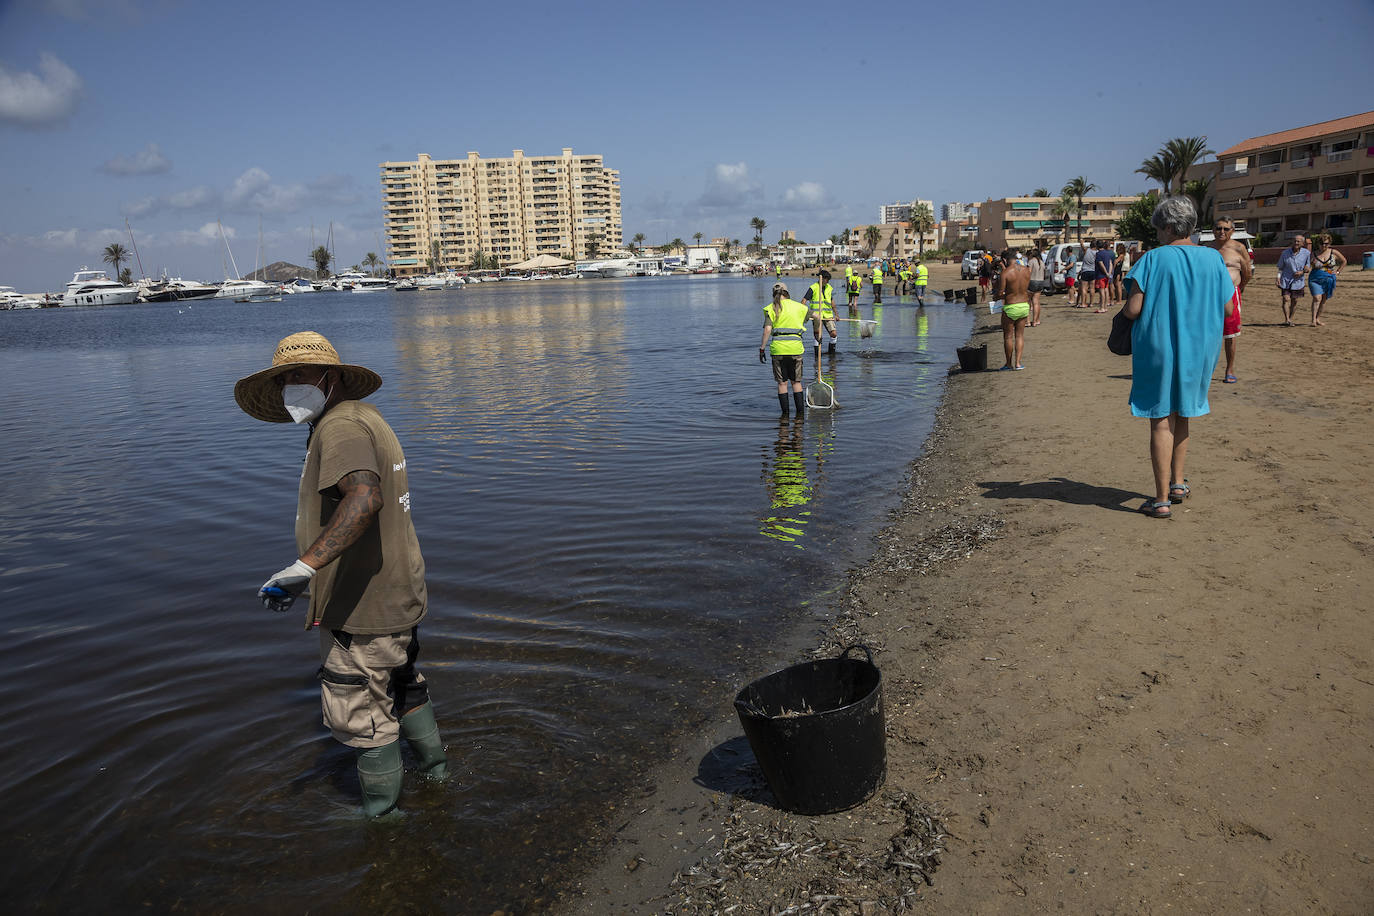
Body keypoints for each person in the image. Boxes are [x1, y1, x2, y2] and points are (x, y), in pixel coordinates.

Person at [235, 331, 448, 819]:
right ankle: (437, 778)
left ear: (331, 378)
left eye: (301, 375)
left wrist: (303, 566)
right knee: (404, 685)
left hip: (368, 606)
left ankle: (384, 820)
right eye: (285, 377)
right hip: (398, 590)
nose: (292, 385)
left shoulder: (341, 428)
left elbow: (364, 497)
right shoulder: (363, 417)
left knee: (361, 710)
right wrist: (317, 575)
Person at [1121, 197, 1234, 519]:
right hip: (1201, 351)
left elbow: (1134, 309)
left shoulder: (1152, 259)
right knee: (1183, 415)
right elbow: (1228, 309)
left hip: (1159, 348)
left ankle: (1160, 499)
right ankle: (1178, 483)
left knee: (1160, 420)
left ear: (1169, 227)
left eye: (1158, 228)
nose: (1157, 234)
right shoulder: (1213, 260)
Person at [1208, 218, 1252, 382]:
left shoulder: (1239, 248)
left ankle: (1229, 369)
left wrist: (1241, 288)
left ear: (1232, 231)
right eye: (1218, 228)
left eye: (1226, 229)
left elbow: (1247, 272)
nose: (1222, 232)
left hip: (1230, 294)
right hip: (1209, 295)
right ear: (1213, 230)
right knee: (1208, 333)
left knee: (1230, 334)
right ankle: (1206, 369)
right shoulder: (1207, 248)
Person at [760, 282, 812, 417]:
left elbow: (767, 330)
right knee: (796, 382)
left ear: (773, 294)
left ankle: (785, 416)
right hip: (796, 349)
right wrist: (817, 334)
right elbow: (817, 317)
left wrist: (762, 349)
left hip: (778, 350)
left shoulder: (772, 308)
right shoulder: (799, 307)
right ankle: (800, 416)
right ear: (787, 293)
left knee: (782, 384)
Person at [992, 248, 1031, 370]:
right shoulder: (1026, 271)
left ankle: (1008, 364)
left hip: (1011, 306)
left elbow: (1001, 292)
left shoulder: (1006, 273)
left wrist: (996, 296)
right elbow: (1024, 289)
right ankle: (1018, 363)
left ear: (1005, 259)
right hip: (1024, 305)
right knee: (1019, 336)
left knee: (1008, 336)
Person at [1307, 233, 1346, 326]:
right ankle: (1313, 320)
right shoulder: (1313, 254)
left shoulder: (1334, 252)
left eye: (1326, 243)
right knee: (1317, 298)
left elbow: (1344, 261)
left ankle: (1318, 319)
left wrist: (1338, 272)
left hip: (1328, 279)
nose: (1324, 245)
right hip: (1315, 278)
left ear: (1329, 243)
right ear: (1318, 243)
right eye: (1321, 243)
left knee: (1323, 299)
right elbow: (1307, 266)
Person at [1275, 234, 1310, 326]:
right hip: (1285, 280)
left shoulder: (1306, 253)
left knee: (1295, 301)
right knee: (1286, 299)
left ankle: (1290, 319)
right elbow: (1280, 267)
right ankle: (1287, 319)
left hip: (1298, 282)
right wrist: (1278, 277)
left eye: (1298, 241)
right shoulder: (1285, 253)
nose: (1296, 243)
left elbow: (1308, 267)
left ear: (1302, 243)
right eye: (1294, 241)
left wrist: (1302, 272)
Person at [804, 269, 838, 354]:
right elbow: (804, 301)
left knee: (833, 334)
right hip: (816, 316)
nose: (828, 282)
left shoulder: (829, 288)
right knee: (818, 336)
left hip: (827, 315)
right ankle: (817, 355)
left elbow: (832, 302)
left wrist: (836, 314)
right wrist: (804, 314)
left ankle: (831, 354)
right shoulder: (813, 288)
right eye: (827, 280)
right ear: (822, 278)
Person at [1092, 239, 1115, 312]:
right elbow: (1111, 263)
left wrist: (1105, 273)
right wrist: (1109, 273)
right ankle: (1105, 307)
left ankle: (1102, 307)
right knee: (1106, 290)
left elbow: (1101, 264)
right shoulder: (1108, 253)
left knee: (1101, 291)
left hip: (1101, 275)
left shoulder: (1098, 254)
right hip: (1107, 275)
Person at [1026, 248, 1045, 326]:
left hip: (1032, 281)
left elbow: (1028, 272)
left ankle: (1027, 322)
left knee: (1027, 303)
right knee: (1036, 302)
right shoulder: (1041, 262)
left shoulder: (1031, 261)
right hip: (1040, 282)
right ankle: (1035, 321)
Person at [1111, 242, 1130, 308]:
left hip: (1118, 271)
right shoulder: (1124, 255)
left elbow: (1116, 262)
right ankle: (1118, 299)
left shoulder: (1121, 255)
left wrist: (1112, 266)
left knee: (1118, 285)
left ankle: (1119, 300)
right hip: (1119, 271)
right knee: (1117, 285)